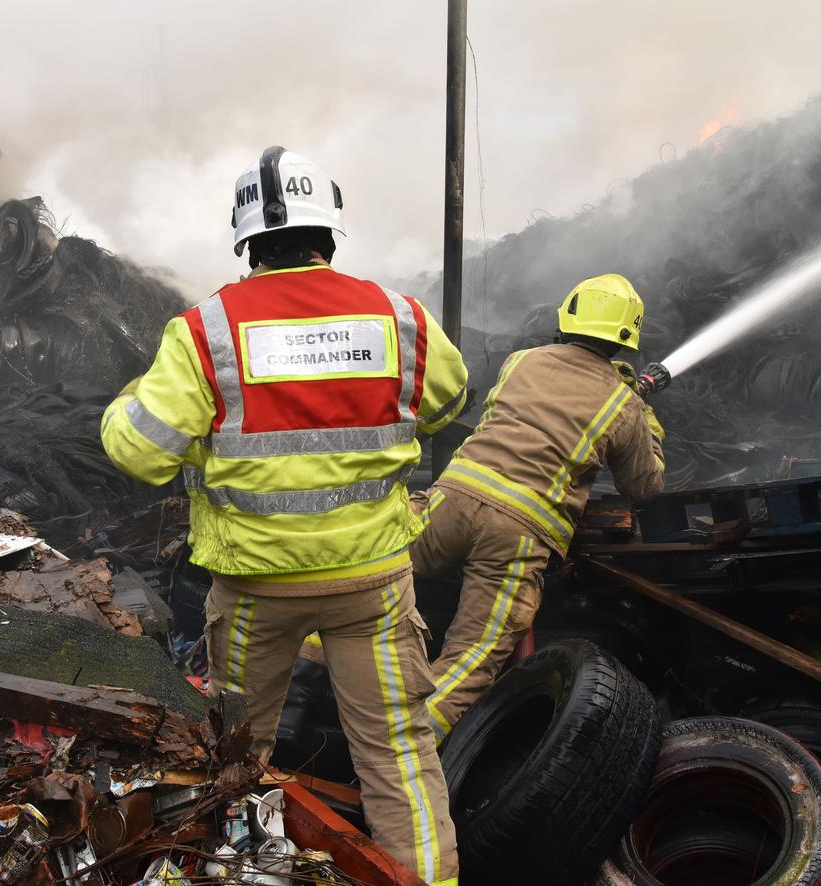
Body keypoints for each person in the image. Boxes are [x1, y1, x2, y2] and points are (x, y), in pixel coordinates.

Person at [101, 146, 467, 884]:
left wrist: (131, 399)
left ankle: (217, 868)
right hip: (373, 583)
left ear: (246, 241)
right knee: (399, 756)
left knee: (234, 751)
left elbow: (140, 452)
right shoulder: (399, 317)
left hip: (256, 588)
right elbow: (448, 400)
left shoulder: (205, 330)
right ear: (329, 230)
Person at [412, 273, 666, 743]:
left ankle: (308, 670)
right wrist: (644, 414)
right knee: (472, 656)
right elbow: (644, 486)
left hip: (452, 499)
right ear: (627, 336)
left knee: (368, 579)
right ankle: (398, 751)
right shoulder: (623, 403)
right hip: (518, 532)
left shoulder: (521, 361)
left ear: (568, 315)